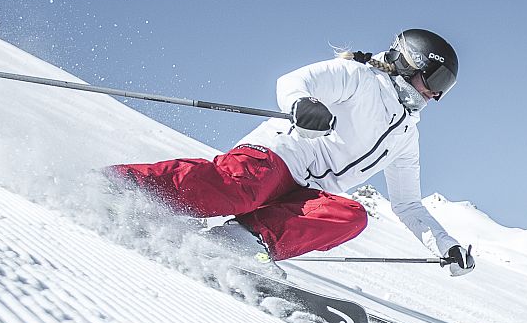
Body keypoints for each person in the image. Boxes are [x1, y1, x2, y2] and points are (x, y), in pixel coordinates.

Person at [108, 29, 475, 276]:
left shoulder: (406, 135)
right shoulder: (360, 77)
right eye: (436, 81)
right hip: (280, 156)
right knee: (241, 190)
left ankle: (239, 243)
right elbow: (294, 81)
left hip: (309, 193)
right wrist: (304, 104)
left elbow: (408, 204)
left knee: (350, 215)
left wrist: (447, 245)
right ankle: (123, 186)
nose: (436, 95)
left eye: (446, 89)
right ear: (412, 62)